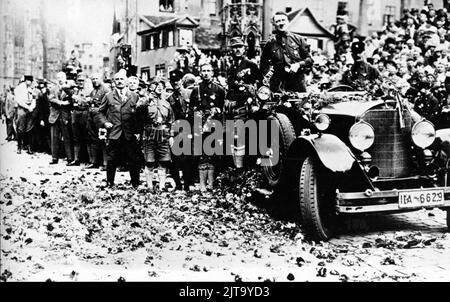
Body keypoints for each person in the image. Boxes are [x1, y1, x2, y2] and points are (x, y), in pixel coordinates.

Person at [97, 71, 142, 189]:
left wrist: (137, 130)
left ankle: (135, 183)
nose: (120, 81)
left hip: (129, 132)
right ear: (114, 82)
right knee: (112, 159)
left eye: (122, 79)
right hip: (115, 132)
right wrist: (105, 122)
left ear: (126, 81)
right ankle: (110, 182)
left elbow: (138, 115)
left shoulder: (134, 96)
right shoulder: (108, 96)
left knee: (133, 158)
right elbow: (100, 112)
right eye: (117, 79)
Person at [225, 36, 262, 172]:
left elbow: (259, 84)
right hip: (236, 107)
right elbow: (230, 87)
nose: (237, 50)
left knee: (251, 137)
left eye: (240, 47)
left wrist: (253, 98)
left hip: (249, 106)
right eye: (235, 47)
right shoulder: (230, 67)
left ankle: (251, 168)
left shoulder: (251, 64)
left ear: (244, 48)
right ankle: (239, 168)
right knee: (236, 138)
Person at [189, 63, 226, 191]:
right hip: (200, 124)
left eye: (208, 70)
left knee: (213, 154)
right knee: (201, 155)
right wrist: (196, 114)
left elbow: (223, 109)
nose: (205, 73)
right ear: (200, 73)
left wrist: (217, 111)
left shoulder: (219, 90)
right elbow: (191, 110)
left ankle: (211, 184)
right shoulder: (196, 90)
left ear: (212, 73)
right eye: (203, 70)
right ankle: (202, 185)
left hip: (214, 125)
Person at [260, 11, 313, 93]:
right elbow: (263, 63)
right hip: (278, 84)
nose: (281, 23)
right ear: (274, 24)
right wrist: (268, 75)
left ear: (288, 21)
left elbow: (309, 60)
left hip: (297, 83)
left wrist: (298, 65)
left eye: (283, 20)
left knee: (302, 105)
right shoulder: (270, 44)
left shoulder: (299, 39)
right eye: (278, 21)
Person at [139, 80, 175, 192]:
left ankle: (162, 186)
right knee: (149, 161)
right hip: (149, 134)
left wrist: (171, 135)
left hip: (163, 135)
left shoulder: (167, 104)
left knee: (163, 162)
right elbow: (138, 115)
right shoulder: (144, 102)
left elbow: (171, 120)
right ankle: (149, 186)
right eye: (156, 86)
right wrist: (147, 102)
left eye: (161, 86)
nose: (159, 88)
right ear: (151, 88)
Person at [48, 72, 74, 165]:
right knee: (54, 138)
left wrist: (68, 102)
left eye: (62, 77)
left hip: (65, 116)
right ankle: (54, 158)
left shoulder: (70, 89)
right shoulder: (53, 89)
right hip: (54, 116)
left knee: (67, 137)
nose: (60, 79)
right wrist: (61, 103)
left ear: (65, 78)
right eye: (58, 77)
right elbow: (51, 99)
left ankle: (70, 158)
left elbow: (72, 100)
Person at [87, 73, 110, 169]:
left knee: (103, 138)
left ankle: (105, 163)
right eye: (93, 79)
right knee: (93, 138)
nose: (95, 80)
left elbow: (108, 105)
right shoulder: (93, 91)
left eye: (96, 78)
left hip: (101, 117)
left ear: (100, 79)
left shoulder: (105, 90)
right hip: (92, 116)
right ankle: (94, 161)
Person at [68, 74, 90, 166]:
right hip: (76, 113)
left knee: (87, 137)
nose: (81, 82)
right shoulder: (74, 91)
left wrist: (79, 98)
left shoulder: (89, 91)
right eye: (79, 80)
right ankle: (76, 159)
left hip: (85, 113)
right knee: (76, 137)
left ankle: (89, 160)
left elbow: (88, 102)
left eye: (82, 80)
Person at [14, 75, 36, 154]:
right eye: (29, 81)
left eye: (31, 81)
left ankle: (29, 147)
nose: (30, 82)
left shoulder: (32, 88)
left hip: (30, 110)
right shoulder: (19, 88)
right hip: (22, 109)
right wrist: (27, 107)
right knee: (20, 128)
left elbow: (34, 99)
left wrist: (32, 107)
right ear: (26, 80)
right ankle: (19, 147)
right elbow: (19, 100)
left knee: (29, 129)